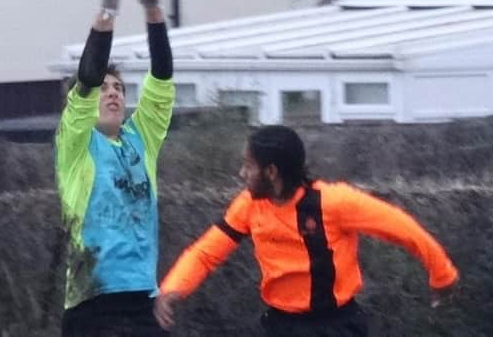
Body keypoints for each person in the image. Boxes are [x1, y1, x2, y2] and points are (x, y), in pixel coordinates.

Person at [154, 125, 459, 336]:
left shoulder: (334, 202)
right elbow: (207, 252)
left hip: (335, 326)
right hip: (280, 325)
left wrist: (441, 273)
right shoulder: (249, 205)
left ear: (271, 172)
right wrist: (172, 289)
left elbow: (401, 228)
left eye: (248, 166)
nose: (241, 173)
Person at [55, 0, 174, 337]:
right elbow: (87, 79)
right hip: (93, 304)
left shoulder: (142, 140)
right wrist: (109, 1)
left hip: (143, 302)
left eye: (119, 88)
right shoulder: (77, 144)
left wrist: (150, 0)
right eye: (106, 88)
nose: (113, 93)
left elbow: (161, 76)